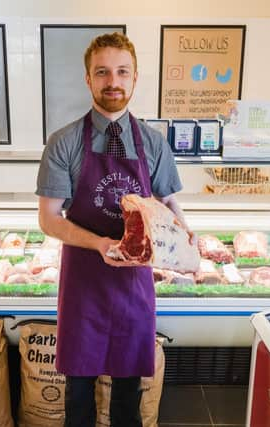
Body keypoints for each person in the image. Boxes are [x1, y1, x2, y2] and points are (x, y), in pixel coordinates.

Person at [36, 32, 192, 427]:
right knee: (79, 389)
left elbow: (170, 205)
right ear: (88, 79)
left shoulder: (154, 144)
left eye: (122, 72)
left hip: (133, 284)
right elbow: (49, 218)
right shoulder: (64, 143)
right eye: (102, 72)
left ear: (135, 78)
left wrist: (188, 240)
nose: (113, 82)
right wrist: (99, 243)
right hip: (84, 280)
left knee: (128, 392)